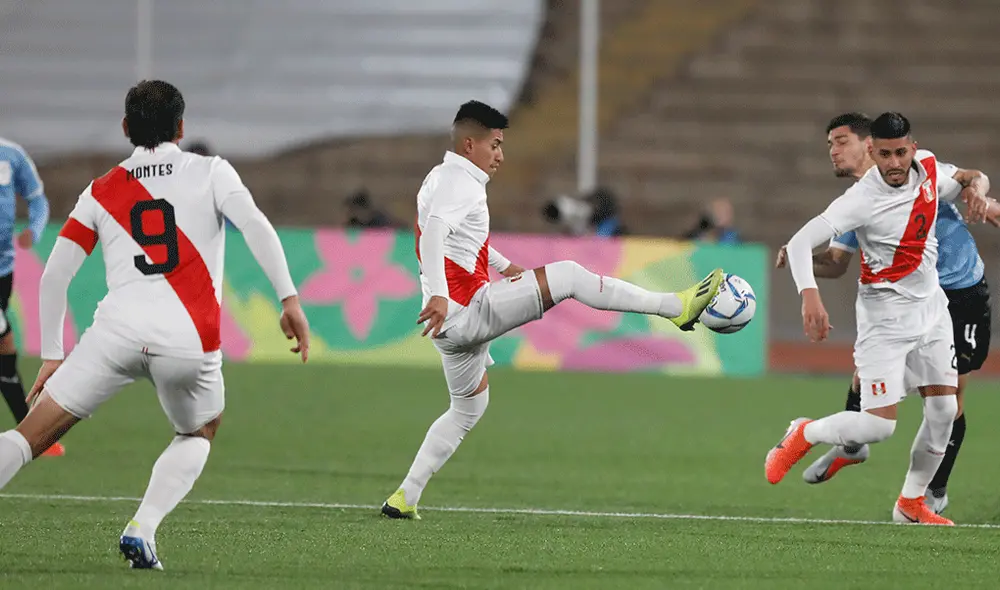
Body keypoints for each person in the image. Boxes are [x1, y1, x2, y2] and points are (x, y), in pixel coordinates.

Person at [0, 80, 311, 568]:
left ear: (125, 128)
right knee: (199, 431)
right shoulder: (212, 172)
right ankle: (142, 528)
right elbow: (255, 225)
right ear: (182, 127)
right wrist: (289, 298)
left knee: (27, 436)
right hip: (188, 342)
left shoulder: (102, 190)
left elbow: (56, 272)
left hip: (115, 336)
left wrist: (54, 354)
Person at [380, 100, 724, 519]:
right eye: (495, 145)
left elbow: (459, 239)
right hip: (465, 310)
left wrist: (504, 267)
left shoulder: (440, 177)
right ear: (470, 144)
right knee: (571, 276)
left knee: (469, 407)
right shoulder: (461, 184)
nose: (501, 155)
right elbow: (434, 235)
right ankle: (676, 306)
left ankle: (404, 497)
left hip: (450, 328)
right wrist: (437, 292)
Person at [768, 112, 993, 526]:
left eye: (900, 153)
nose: (894, 163)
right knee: (879, 427)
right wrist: (810, 298)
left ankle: (911, 503)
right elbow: (801, 243)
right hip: (885, 320)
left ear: (912, 148)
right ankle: (805, 432)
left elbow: (961, 181)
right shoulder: (859, 200)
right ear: (872, 151)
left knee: (944, 410)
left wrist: (982, 195)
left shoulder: (925, 167)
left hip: (933, 310)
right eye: (885, 154)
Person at [0, 136, 58, 454]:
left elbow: (38, 200)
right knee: (5, 341)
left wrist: (34, 231)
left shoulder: (12, 155)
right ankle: (30, 433)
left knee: (4, 351)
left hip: (3, 269)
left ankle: (28, 436)